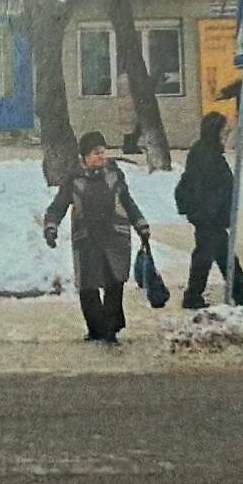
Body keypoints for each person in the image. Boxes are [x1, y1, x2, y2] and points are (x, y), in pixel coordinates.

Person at [43, 131, 151, 344]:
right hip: (87, 240)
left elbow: (128, 203)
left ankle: (110, 329)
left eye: (103, 151)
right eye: (96, 153)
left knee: (114, 283)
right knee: (88, 287)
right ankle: (96, 329)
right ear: (84, 156)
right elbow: (58, 206)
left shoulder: (114, 175)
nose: (101, 157)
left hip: (114, 238)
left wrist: (141, 225)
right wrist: (51, 226)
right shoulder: (74, 179)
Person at [175, 111, 243, 310]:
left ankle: (240, 291)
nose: (226, 136)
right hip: (208, 217)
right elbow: (203, 188)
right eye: (223, 132)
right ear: (214, 132)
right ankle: (193, 296)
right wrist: (210, 214)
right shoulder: (204, 154)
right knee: (204, 256)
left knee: (224, 254)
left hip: (213, 217)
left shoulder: (209, 151)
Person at [117, 70, 142, 154]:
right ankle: (132, 145)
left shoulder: (121, 77)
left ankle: (127, 145)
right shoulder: (133, 77)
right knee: (135, 125)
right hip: (132, 101)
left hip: (123, 101)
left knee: (127, 126)